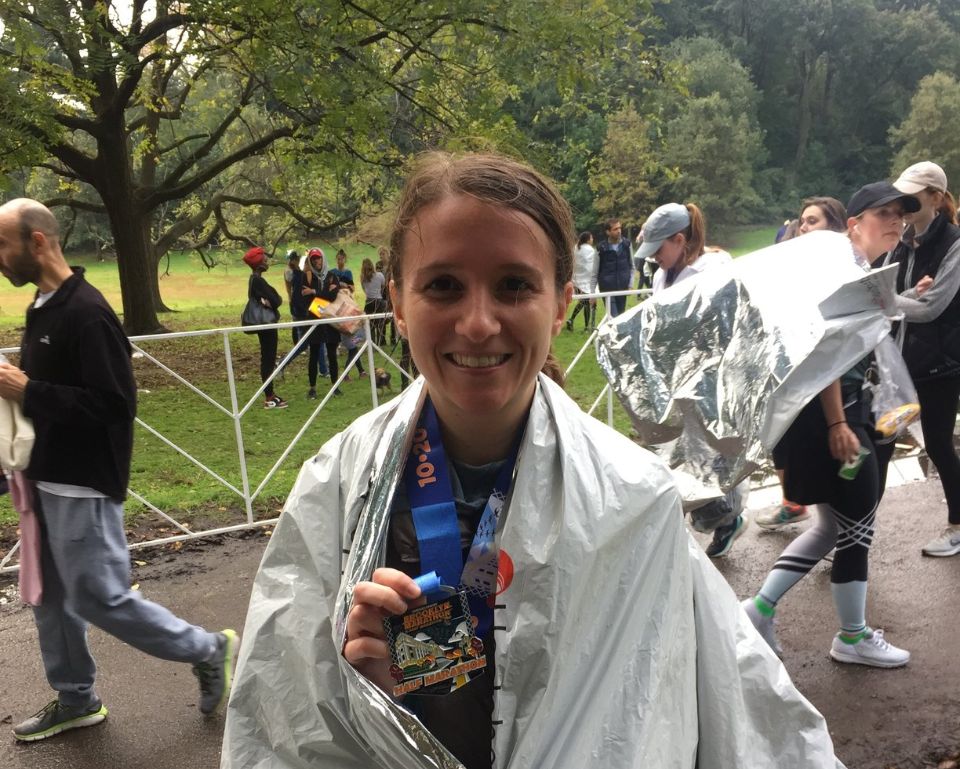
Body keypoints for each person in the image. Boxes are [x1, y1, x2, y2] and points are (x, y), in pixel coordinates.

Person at [223, 153, 842, 768]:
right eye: (443, 285)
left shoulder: (631, 499)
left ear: (561, 302)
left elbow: (695, 704)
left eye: (515, 285)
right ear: (401, 306)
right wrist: (371, 696)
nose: (478, 322)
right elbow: (284, 724)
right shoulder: (336, 487)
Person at [0, 198, 237, 742]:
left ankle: (209, 649)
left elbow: (113, 405)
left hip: (84, 485)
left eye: (3, 244)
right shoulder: (43, 305)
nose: (0, 258)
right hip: (44, 479)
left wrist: (27, 388)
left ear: (37, 241)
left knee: (99, 597)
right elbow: (48, 400)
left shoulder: (87, 312)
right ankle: (77, 699)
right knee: (50, 598)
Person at [742, 181, 920, 667]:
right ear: (855, 223)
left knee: (828, 528)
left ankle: (756, 611)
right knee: (858, 529)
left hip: (830, 415)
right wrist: (838, 424)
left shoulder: (857, 268)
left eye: (900, 215)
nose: (896, 222)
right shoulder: (841, 271)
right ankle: (852, 637)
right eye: (884, 213)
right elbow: (824, 351)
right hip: (831, 419)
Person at [635, 202, 744, 558]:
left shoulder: (711, 272)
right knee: (682, 454)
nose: (654, 259)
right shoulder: (662, 275)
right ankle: (714, 520)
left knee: (707, 457)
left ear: (680, 240)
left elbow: (721, 330)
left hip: (706, 382)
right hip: (674, 380)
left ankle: (725, 518)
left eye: (659, 249)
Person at [757, 196, 848, 531]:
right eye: (803, 220)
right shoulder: (793, 270)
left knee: (836, 474)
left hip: (832, 387)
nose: (804, 227)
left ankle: (838, 532)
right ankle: (807, 512)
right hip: (791, 378)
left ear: (836, 228)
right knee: (787, 451)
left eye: (814, 220)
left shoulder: (841, 272)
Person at [885, 161, 960, 557]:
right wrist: (898, 298)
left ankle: (958, 524)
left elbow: (931, 308)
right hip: (898, 359)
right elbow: (889, 289)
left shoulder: (954, 244)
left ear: (935, 197)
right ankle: (850, 532)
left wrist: (886, 303)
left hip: (939, 365)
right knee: (878, 440)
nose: (904, 205)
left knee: (938, 444)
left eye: (911, 197)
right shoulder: (902, 241)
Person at [243, 247, 287, 408]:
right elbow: (276, 299)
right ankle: (269, 397)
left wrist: (272, 300)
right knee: (268, 358)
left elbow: (274, 299)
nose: (267, 261)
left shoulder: (254, 279)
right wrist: (272, 301)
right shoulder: (258, 281)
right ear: (259, 263)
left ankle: (270, 394)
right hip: (266, 325)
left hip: (265, 324)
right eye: (264, 259)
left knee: (267, 358)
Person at [300, 248, 335, 398]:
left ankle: (335, 386)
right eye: (313, 259)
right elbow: (305, 299)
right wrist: (323, 294)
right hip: (314, 320)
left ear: (323, 258)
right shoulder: (306, 277)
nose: (316, 261)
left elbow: (333, 296)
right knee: (314, 354)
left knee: (332, 354)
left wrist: (315, 292)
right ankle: (312, 388)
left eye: (318, 258)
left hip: (330, 321)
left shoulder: (331, 276)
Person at [596, 218, 632, 317]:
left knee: (621, 317)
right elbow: (594, 272)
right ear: (608, 232)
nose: (619, 231)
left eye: (620, 228)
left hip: (622, 288)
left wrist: (630, 284)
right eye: (615, 229)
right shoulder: (601, 248)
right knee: (614, 317)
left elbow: (631, 266)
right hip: (607, 289)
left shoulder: (627, 244)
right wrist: (592, 294)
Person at [566, 231, 598, 331]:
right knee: (586, 302)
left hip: (576, 279)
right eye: (591, 238)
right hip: (586, 280)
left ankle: (573, 321)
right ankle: (586, 326)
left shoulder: (575, 248)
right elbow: (594, 263)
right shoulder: (590, 250)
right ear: (588, 239)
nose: (592, 240)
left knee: (583, 302)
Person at [361, 256, 388, 346]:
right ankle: (382, 341)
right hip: (379, 301)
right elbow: (383, 286)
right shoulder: (380, 275)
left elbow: (364, 290)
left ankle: (372, 343)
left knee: (370, 325)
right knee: (380, 323)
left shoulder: (363, 278)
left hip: (369, 302)